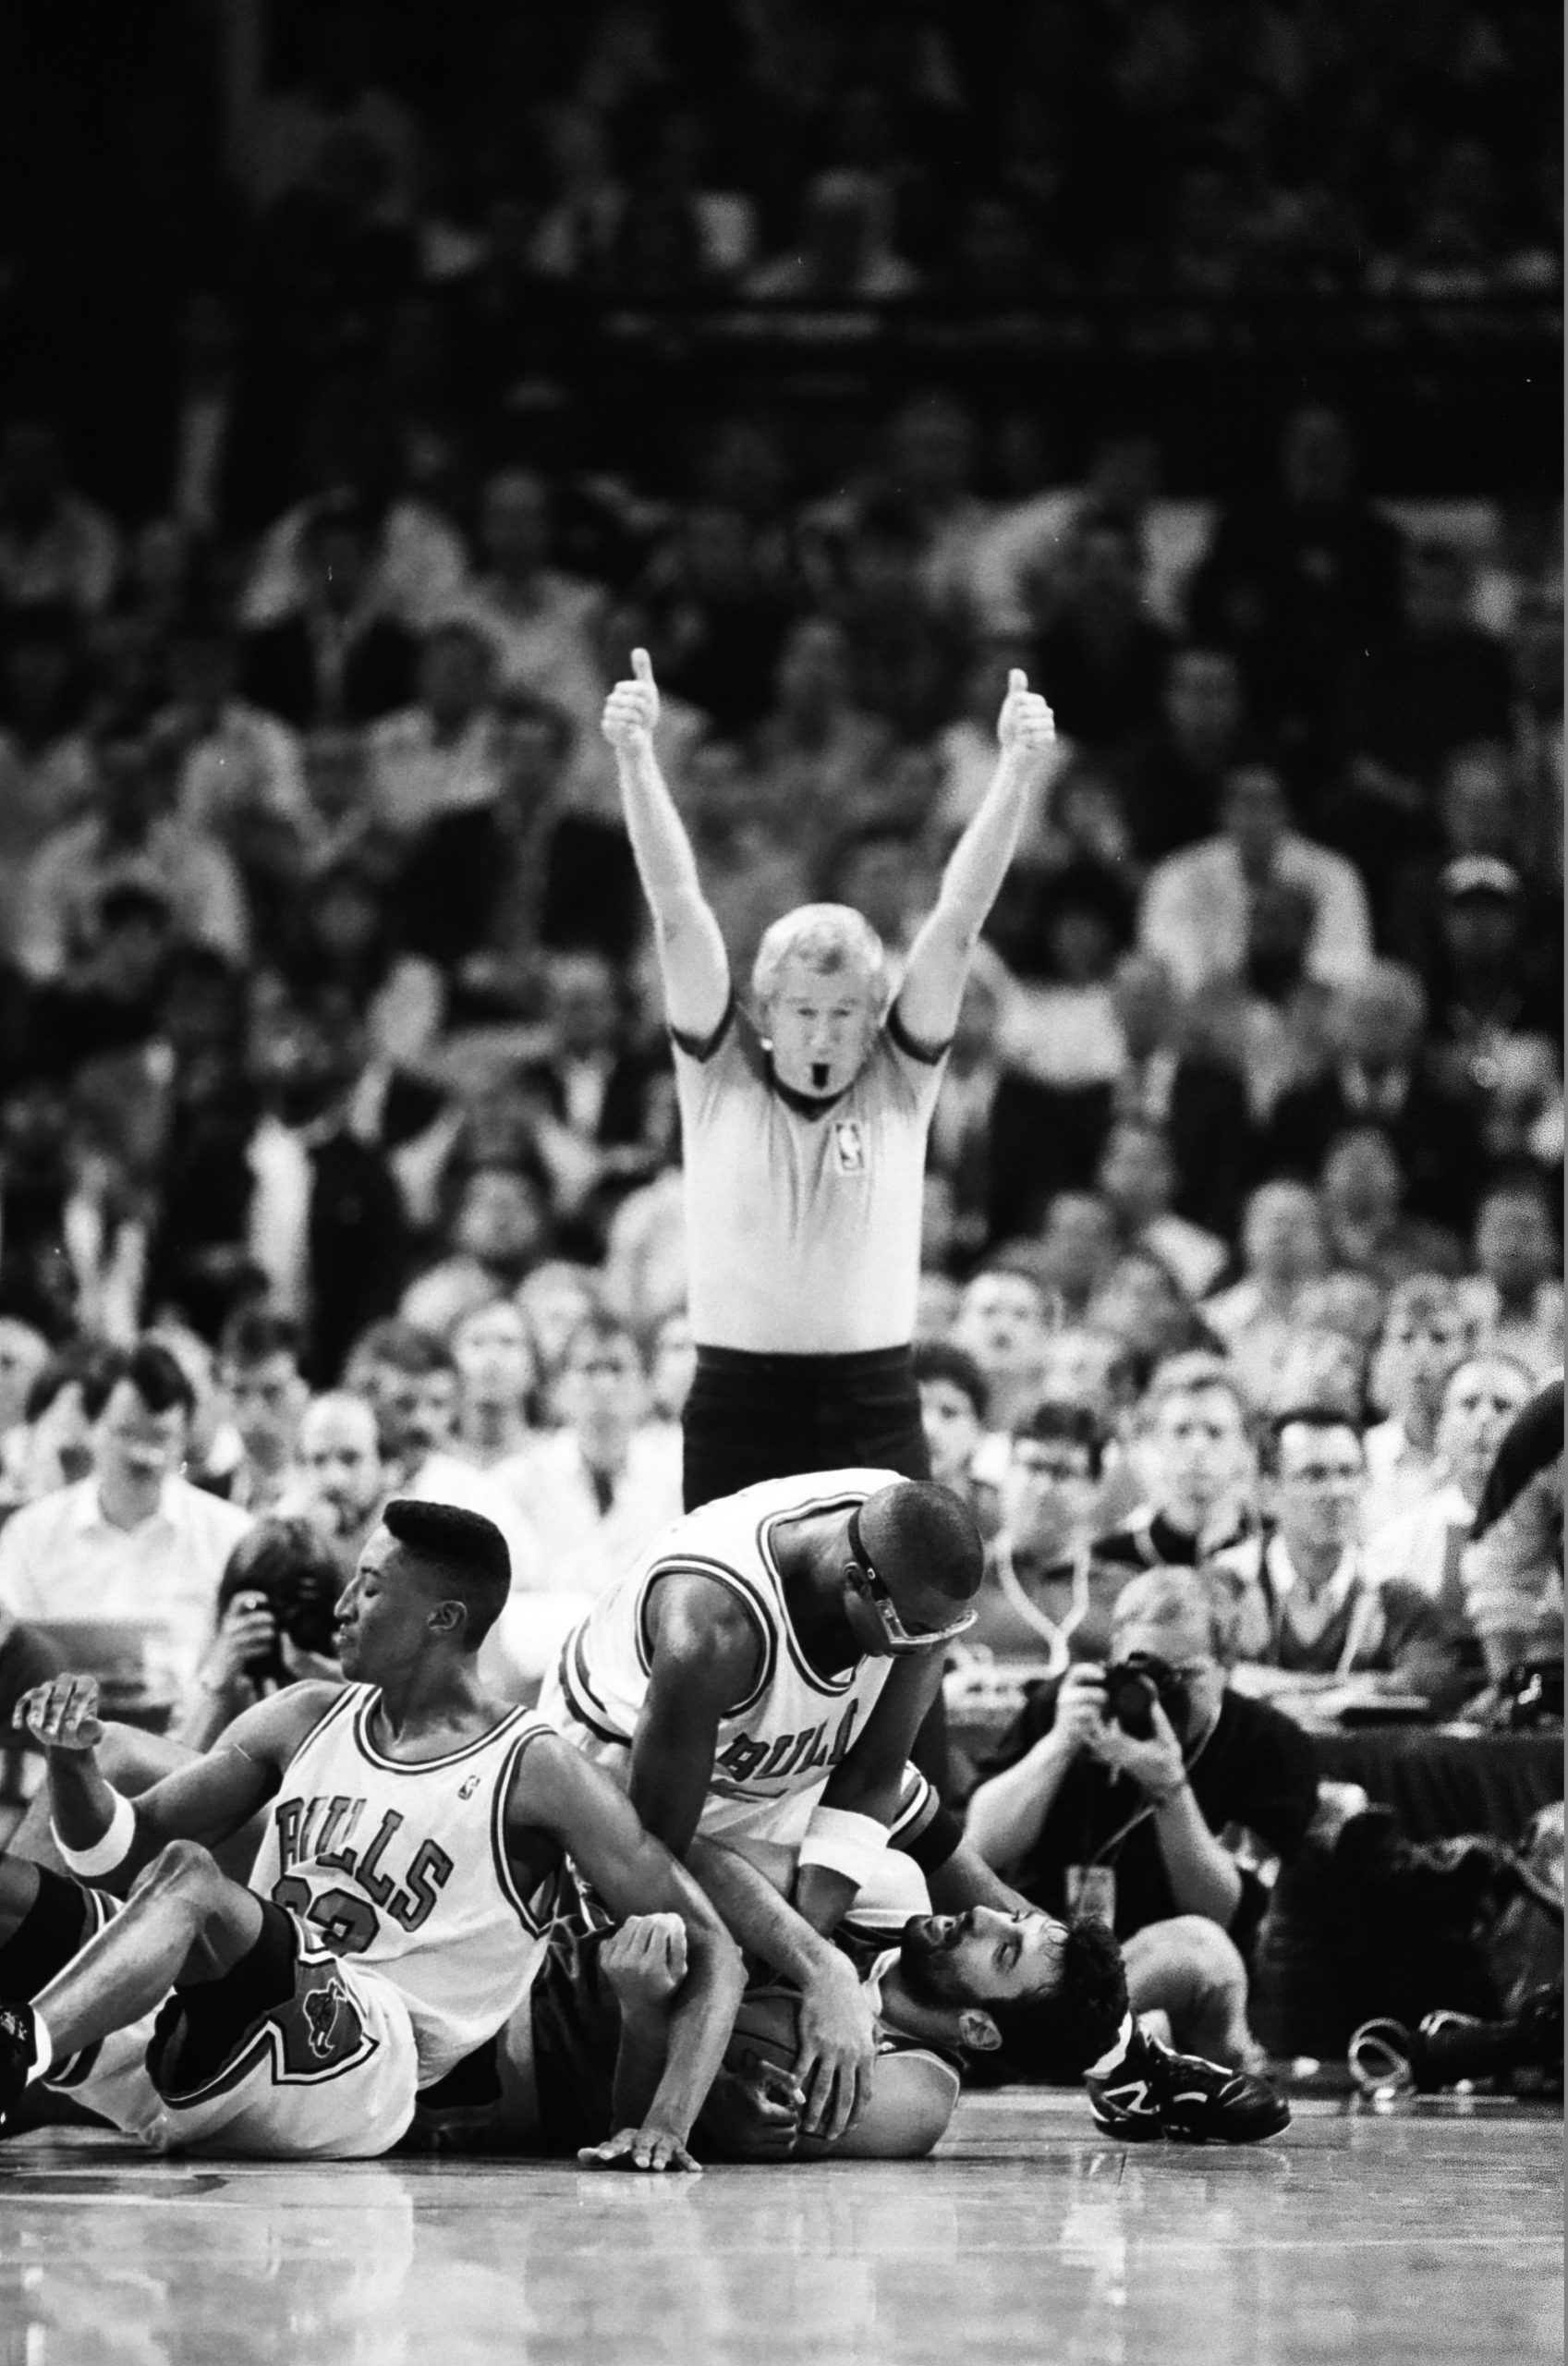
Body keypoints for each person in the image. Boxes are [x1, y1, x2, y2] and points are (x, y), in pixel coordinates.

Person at [0, 1498, 744, 2168]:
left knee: (194, 1875)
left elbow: (715, 1950)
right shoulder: (305, 1715)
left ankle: (17, 2046)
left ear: (442, 1618)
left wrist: (668, 2124)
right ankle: (27, 2044)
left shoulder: (535, 1767)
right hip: (218, 2023)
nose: (344, 1606)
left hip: (364, 2067)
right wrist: (70, 1769)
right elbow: (118, 1851)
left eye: (371, 1586)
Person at [601, 646, 1057, 1515]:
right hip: (739, 1402)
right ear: (764, 1011)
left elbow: (957, 920)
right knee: (729, 1628)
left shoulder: (900, 1077)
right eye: (804, 1012)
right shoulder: (716, 1072)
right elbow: (675, 905)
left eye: (847, 1013)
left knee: (898, 1623)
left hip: (872, 1398)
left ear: (876, 1013)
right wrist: (635, 758)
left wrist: (1015, 773)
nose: (824, 1032)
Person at [540, 1470, 987, 2135]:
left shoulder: (915, 1560)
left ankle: (1119, 2044)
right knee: (668, 1958)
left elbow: (871, 1775)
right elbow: (654, 1856)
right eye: (915, 1631)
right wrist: (811, 1963)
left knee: (903, 1855)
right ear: (852, 1581)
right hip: (619, 1783)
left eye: (939, 1634)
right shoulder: (712, 1627)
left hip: (765, 1769)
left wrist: (796, 1965)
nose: (926, 1649)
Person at [965, 1567, 1319, 2067]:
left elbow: (1223, 1912)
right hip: (1051, 1964)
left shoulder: (1270, 1746)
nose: (1159, 1692)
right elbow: (978, 1847)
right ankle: (1097, 2042)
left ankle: (1065, 2044)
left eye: (1184, 1675)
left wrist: (1169, 1787)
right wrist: (1059, 1744)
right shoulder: (1070, 1706)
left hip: (1176, 1980)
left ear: (1228, 1668)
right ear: (1114, 1660)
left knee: (1195, 1948)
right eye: (1144, 1670)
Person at [0, 1342, 253, 1705]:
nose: (143, 1456)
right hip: (51, 1736)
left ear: (184, 1438)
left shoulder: (230, 1535)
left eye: (161, 1437)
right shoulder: (31, 1534)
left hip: (186, 1738)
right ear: (91, 1428)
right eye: (126, 1434)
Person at [1216, 1410, 1464, 1705]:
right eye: (1314, 1475)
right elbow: (1197, 1675)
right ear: (1268, 1491)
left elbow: (1433, 1685)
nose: (1336, 1491)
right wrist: (1356, 1689)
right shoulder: (1225, 1583)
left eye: (1348, 1473)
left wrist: (1269, 1687)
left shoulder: (1395, 1592)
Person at [1364, 1355, 1535, 1680]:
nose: (1484, 1418)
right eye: (1468, 1404)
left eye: (1502, 1406)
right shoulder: (1396, 1543)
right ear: (1440, 1430)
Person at [1094, 1355, 1255, 1575]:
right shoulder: (1112, 1561)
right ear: (1154, 1440)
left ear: (1245, 1445)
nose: (1197, 1447)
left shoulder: (1277, 1550)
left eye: (1215, 1432)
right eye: (1182, 1431)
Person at [1362, 1276, 1476, 1532]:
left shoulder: (1484, 1455)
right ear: (1384, 1353)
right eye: (1405, 1338)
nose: (1421, 1352)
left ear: (1469, 1349)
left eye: (1439, 1337)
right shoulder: (1365, 1453)